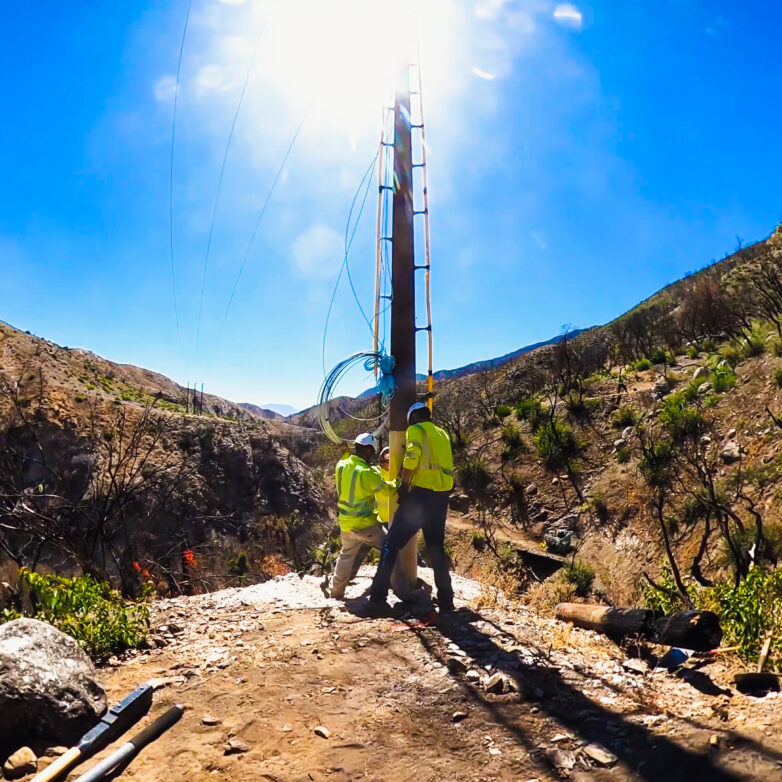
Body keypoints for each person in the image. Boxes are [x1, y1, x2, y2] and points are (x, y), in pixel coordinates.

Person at [367, 402, 455, 614]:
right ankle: (446, 601)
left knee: (391, 543)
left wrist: (404, 486)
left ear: (413, 418)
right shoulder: (442, 434)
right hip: (441, 498)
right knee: (436, 549)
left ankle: (378, 598)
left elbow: (412, 457)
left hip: (420, 498)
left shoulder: (415, 430)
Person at [327, 433, 397, 600]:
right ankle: (388, 586)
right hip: (366, 524)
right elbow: (388, 489)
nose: (372, 455)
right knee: (390, 547)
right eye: (372, 451)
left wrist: (344, 450)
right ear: (366, 450)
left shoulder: (341, 465)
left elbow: (345, 459)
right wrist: (399, 481)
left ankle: (336, 591)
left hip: (346, 523)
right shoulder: (367, 472)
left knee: (346, 555)